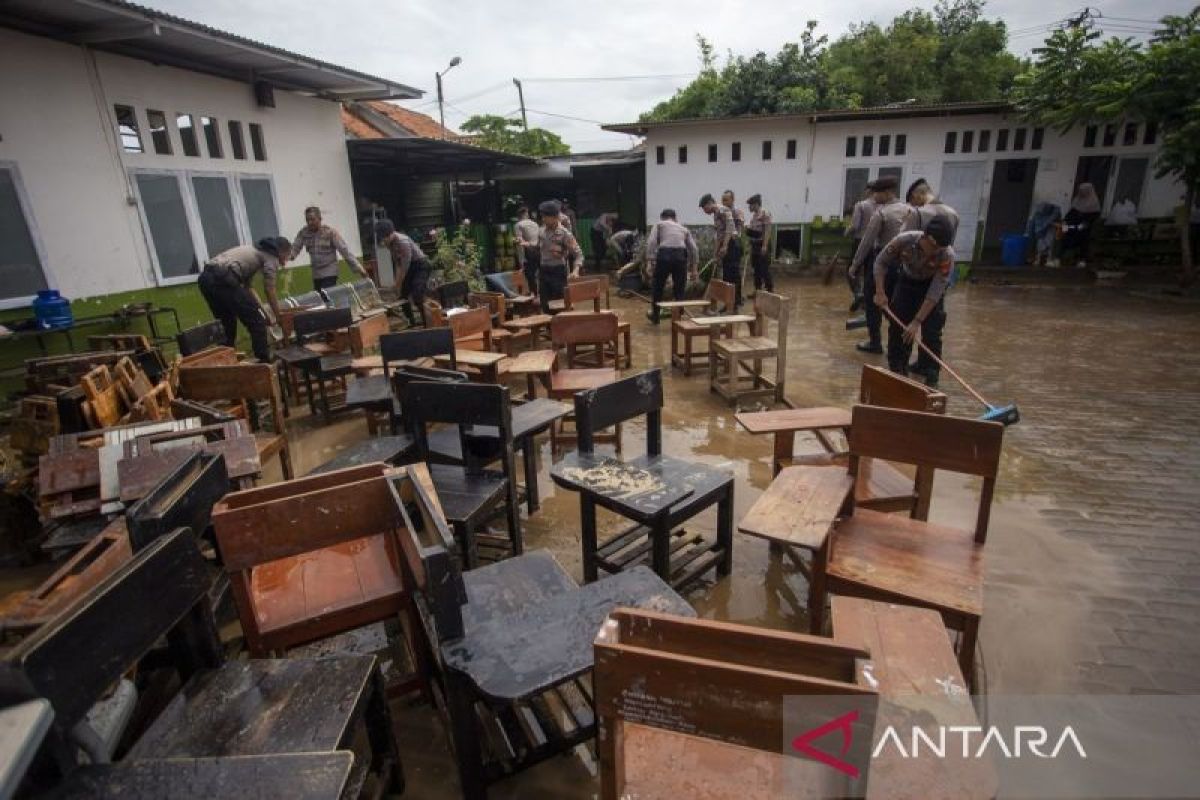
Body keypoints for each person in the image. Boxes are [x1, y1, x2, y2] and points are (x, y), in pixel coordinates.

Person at [873, 216, 956, 387]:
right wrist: (880, 292)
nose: (935, 252)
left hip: (930, 287)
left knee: (932, 332)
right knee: (899, 329)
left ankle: (931, 378)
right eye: (933, 247)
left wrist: (917, 321)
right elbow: (880, 263)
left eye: (939, 248)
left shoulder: (946, 255)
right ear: (926, 237)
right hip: (907, 283)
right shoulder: (903, 240)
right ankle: (898, 372)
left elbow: (935, 291)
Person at [197, 237, 290, 362]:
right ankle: (263, 365)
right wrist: (278, 316)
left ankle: (225, 364)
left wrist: (267, 314)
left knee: (227, 325)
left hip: (206, 280)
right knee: (257, 324)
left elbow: (249, 289)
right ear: (281, 252)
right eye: (287, 257)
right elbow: (269, 289)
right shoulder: (271, 258)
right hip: (223, 278)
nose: (285, 262)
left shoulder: (253, 253)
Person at [850, 176, 909, 354]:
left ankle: (875, 342)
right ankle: (899, 343)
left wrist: (854, 265)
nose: (874, 196)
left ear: (887, 192)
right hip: (904, 264)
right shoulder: (909, 210)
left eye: (877, 192)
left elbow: (866, 242)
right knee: (896, 304)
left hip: (882, 262)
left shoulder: (882, 213)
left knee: (872, 301)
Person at [290, 206, 369, 291]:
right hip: (316, 274)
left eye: (312, 219)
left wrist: (360, 269)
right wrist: (289, 256)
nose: (310, 222)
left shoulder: (330, 233)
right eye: (307, 220)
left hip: (330, 272)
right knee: (320, 298)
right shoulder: (304, 233)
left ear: (320, 218)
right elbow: (295, 247)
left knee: (327, 295)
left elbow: (345, 251)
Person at [645, 209, 699, 323]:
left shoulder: (659, 224)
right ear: (675, 218)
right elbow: (694, 249)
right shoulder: (683, 228)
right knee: (679, 289)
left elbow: (651, 242)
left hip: (664, 255)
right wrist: (694, 270)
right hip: (680, 257)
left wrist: (649, 262)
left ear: (662, 217)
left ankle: (655, 316)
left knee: (658, 286)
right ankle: (678, 317)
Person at [375, 219, 431, 321]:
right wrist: (397, 284)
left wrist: (398, 284)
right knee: (402, 294)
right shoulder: (389, 244)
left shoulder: (402, 241)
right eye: (383, 238)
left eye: (386, 237)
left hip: (420, 265)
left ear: (391, 233)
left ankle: (427, 320)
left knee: (417, 293)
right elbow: (397, 264)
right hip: (408, 266)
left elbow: (404, 267)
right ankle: (411, 321)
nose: (384, 240)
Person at [537, 200, 583, 313]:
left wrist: (576, 270)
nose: (543, 219)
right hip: (543, 271)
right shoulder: (541, 231)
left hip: (558, 272)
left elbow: (578, 254)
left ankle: (561, 328)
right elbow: (538, 248)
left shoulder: (565, 234)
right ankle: (549, 329)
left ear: (555, 217)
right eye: (542, 216)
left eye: (545, 216)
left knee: (560, 304)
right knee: (545, 304)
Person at [701, 193, 742, 307]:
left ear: (710, 203)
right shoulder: (716, 214)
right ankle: (729, 303)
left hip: (732, 244)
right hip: (726, 244)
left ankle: (735, 303)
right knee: (727, 277)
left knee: (732, 276)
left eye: (705, 208)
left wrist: (725, 246)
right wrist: (715, 255)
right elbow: (719, 235)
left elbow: (729, 228)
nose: (704, 211)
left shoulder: (723, 210)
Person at [844, 188, 878, 311]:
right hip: (876, 244)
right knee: (870, 273)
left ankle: (858, 294)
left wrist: (846, 232)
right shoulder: (883, 206)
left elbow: (854, 225)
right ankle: (867, 302)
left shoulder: (861, 205)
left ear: (868, 191)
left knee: (852, 270)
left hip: (860, 242)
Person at [1057, 183, 1102, 267]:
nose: (1082, 193)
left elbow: (1092, 218)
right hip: (1073, 225)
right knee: (1064, 233)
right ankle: (1059, 257)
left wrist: (1083, 224)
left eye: (1084, 191)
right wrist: (1065, 222)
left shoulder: (1094, 203)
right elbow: (1070, 214)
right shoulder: (1077, 200)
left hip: (1085, 227)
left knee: (1083, 236)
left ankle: (1082, 259)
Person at [745, 194, 773, 293]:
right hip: (755, 245)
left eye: (750, 205)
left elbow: (768, 231)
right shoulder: (753, 217)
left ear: (756, 204)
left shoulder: (765, 214)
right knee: (756, 270)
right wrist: (749, 245)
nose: (749, 207)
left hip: (762, 245)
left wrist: (765, 246)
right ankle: (757, 291)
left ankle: (769, 291)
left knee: (764, 269)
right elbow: (753, 233)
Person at [1026, 199, 1062, 267]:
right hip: (1041, 235)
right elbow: (1034, 228)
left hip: (1052, 233)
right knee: (1041, 243)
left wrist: (1055, 226)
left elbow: (1061, 226)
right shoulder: (1038, 215)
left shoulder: (1055, 213)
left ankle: (1049, 259)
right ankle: (1038, 258)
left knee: (1051, 243)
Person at [514, 205, 541, 295]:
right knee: (539, 273)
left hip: (528, 252)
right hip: (538, 250)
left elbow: (520, 243)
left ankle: (534, 294)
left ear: (519, 215)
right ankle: (541, 293)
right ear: (527, 214)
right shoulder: (535, 224)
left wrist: (521, 260)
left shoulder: (518, 225)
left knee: (530, 275)